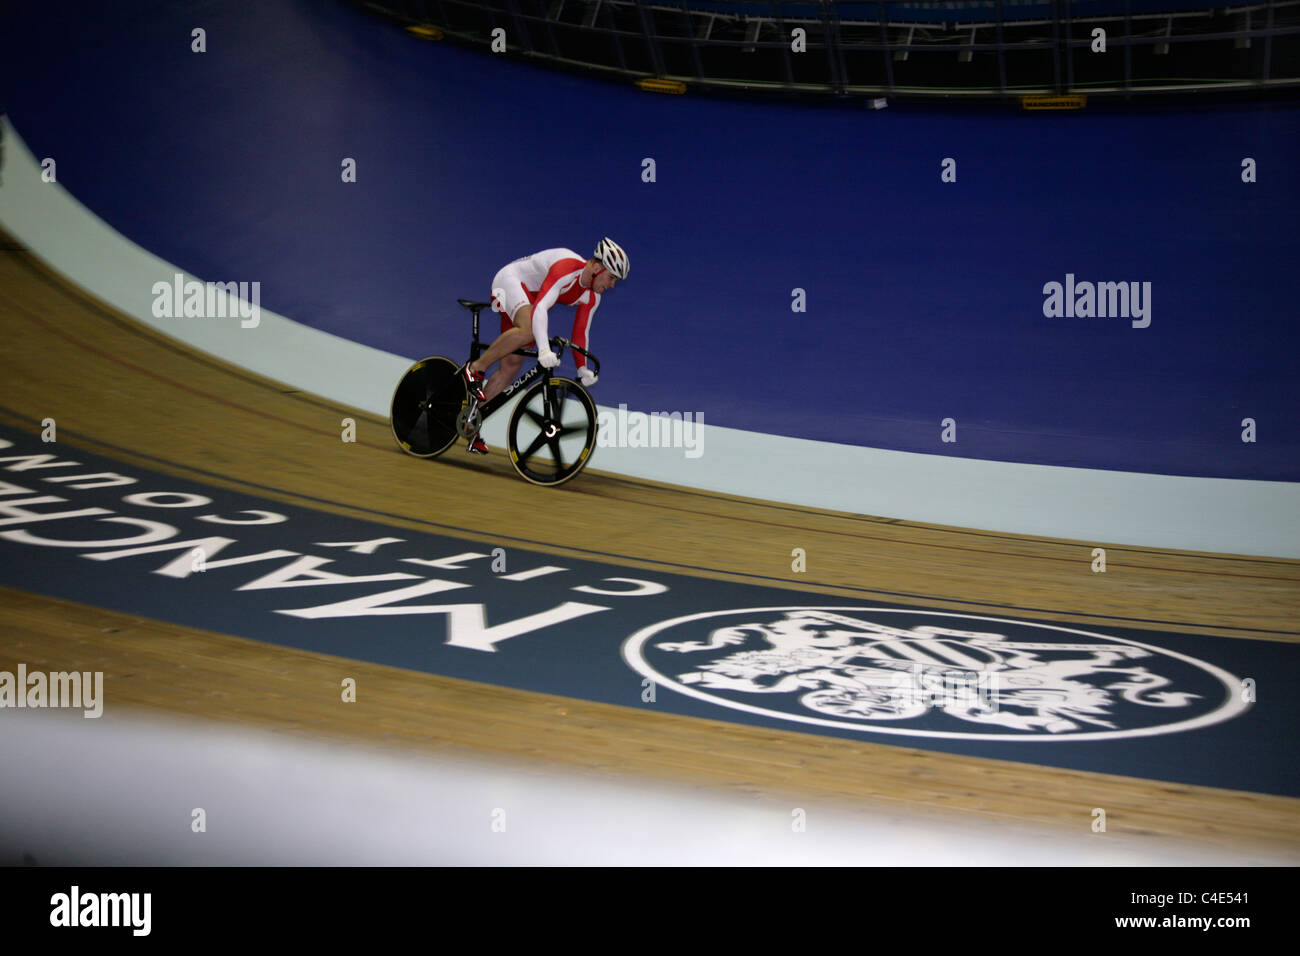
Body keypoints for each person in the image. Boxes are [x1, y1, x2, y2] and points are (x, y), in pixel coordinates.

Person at [461, 238, 629, 454]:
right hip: (510, 282)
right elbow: (541, 308)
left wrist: (582, 368)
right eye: (612, 277)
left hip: (527, 299)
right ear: (597, 268)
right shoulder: (567, 268)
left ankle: (470, 423)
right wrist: (543, 350)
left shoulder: (593, 296)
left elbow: (580, 332)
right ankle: (475, 369)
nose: (613, 285)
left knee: (510, 367)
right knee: (530, 329)